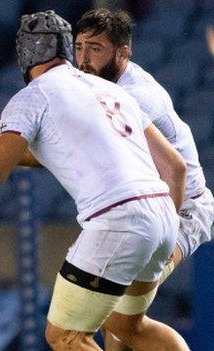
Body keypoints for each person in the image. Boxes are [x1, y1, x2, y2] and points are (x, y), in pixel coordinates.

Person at [0, 10, 189, 350]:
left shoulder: (33, 97)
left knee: (66, 336)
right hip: (163, 214)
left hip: (117, 220)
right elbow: (174, 166)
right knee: (128, 327)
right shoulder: (111, 91)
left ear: (25, 54)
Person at [74, 8, 214, 350]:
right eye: (78, 47)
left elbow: (176, 170)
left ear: (124, 53)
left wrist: (163, 235)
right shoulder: (104, 84)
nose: (83, 58)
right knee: (116, 319)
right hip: (145, 211)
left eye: (95, 49)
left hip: (182, 211)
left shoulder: (135, 100)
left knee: (119, 318)